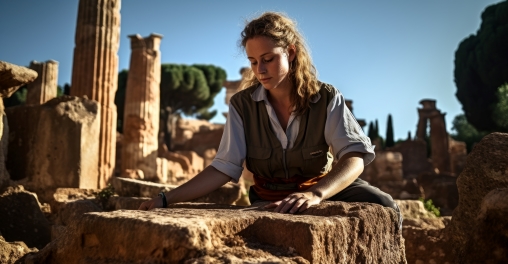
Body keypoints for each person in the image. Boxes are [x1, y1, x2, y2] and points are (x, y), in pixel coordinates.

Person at [139, 12, 401, 226]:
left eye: (268, 59)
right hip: (270, 197)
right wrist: (166, 198)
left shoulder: (326, 97)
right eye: (253, 62)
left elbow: (354, 157)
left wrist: (315, 194)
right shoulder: (242, 105)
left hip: (322, 189)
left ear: (291, 52)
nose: (260, 70)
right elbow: (224, 167)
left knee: (386, 206)